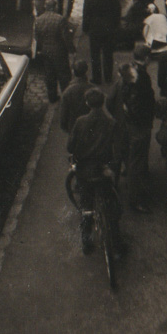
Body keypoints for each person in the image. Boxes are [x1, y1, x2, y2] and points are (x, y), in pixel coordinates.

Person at [67, 87, 126, 256]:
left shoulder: (80, 122)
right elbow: (118, 150)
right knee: (111, 207)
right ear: (102, 103)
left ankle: (86, 243)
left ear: (87, 103)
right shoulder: (111, 123)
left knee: (86, 207)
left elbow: (70, 146)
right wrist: (112, 168)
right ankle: (118, 245)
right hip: (103, 171)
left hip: (85, 171)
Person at [106, 47, 155, 212]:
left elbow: (111, 100)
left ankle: (117, 189)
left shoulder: (125, 75)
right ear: (146, 59)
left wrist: (120, 119)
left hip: (125, 126)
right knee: (137, 164)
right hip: (138, 128)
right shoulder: (142, 79)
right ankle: (136, 201)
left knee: (126, 158)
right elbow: (140, 106)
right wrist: (141, 122)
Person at [82, 0, 121, 85]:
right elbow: (117, 13)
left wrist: (85, 29)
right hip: (109, 29)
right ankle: (108, 76)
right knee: (108, 54)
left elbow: (86, 15)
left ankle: (97, 78)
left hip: (95, 30)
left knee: (95, 55)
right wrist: (115, 27)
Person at [34, 0, 75, 103]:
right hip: (59, 51)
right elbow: (65, 37)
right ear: (55, 7)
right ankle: (66, 98)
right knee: (64, 75)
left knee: (49, 75)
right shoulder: (60, 19)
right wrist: (71, 49)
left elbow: (37, 37)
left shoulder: (39, 19)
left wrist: (39, 50)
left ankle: (52, 97)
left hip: (46, 51)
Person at [60, 60, 91, 133]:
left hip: (73, 126)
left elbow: (64, 113)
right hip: (89, 126)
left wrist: (64, 126)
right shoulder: (92, 88)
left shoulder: (68, 91)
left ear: (73, 72)